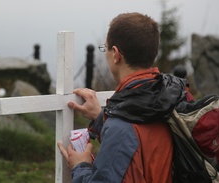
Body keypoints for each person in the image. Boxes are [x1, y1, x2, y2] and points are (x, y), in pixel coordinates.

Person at [58, 12, 194, 183]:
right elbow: (141, 143)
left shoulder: (122, 127)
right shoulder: (177, 97)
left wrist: (80, 167)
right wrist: (101, 116)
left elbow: (127, 137)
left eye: (105, 48)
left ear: (115, 54)